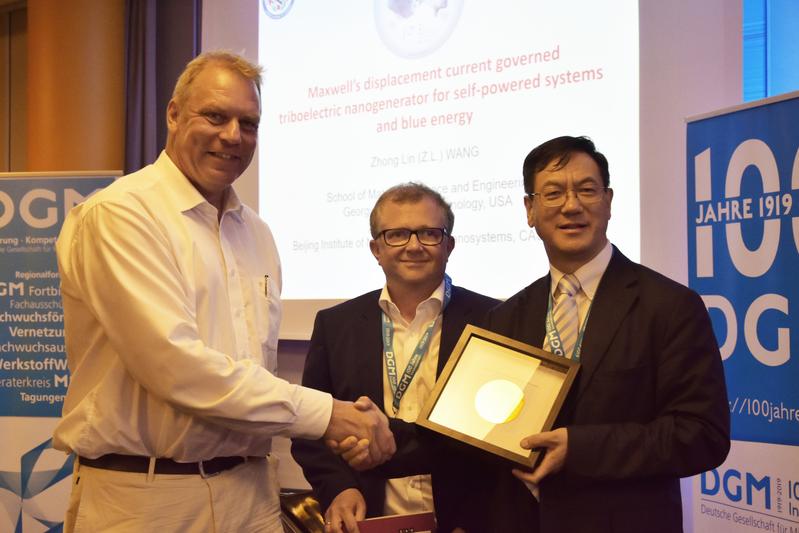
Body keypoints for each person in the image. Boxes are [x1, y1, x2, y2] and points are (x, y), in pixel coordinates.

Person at [54, 51, 393, 532]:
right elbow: (175, 366)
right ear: (173, 114)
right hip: (147, 500)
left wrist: (337, 429)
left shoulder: (257, 233)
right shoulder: (121, 214)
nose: (233, 136)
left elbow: (250, 374)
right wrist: (328, 416)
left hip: (251, 493)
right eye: (215, 116)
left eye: (249, 123)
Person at [481, 135, 730, 532]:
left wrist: (579, 450)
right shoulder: (505, 317)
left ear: (609, 201)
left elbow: (703, 435)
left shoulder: (669, 306)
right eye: (553, 193)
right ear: (529, 209)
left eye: (586, 190)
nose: (571, 205)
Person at [291, 183, 498, 533]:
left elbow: (495, 438)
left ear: (449, 244)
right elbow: (311, 428)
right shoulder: (336, 325)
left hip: (467, 521)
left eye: (429, 233)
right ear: (376, 248)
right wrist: (340, 487)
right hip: (369, 520)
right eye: (397, 234)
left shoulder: (494, 318)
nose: (414, 246)